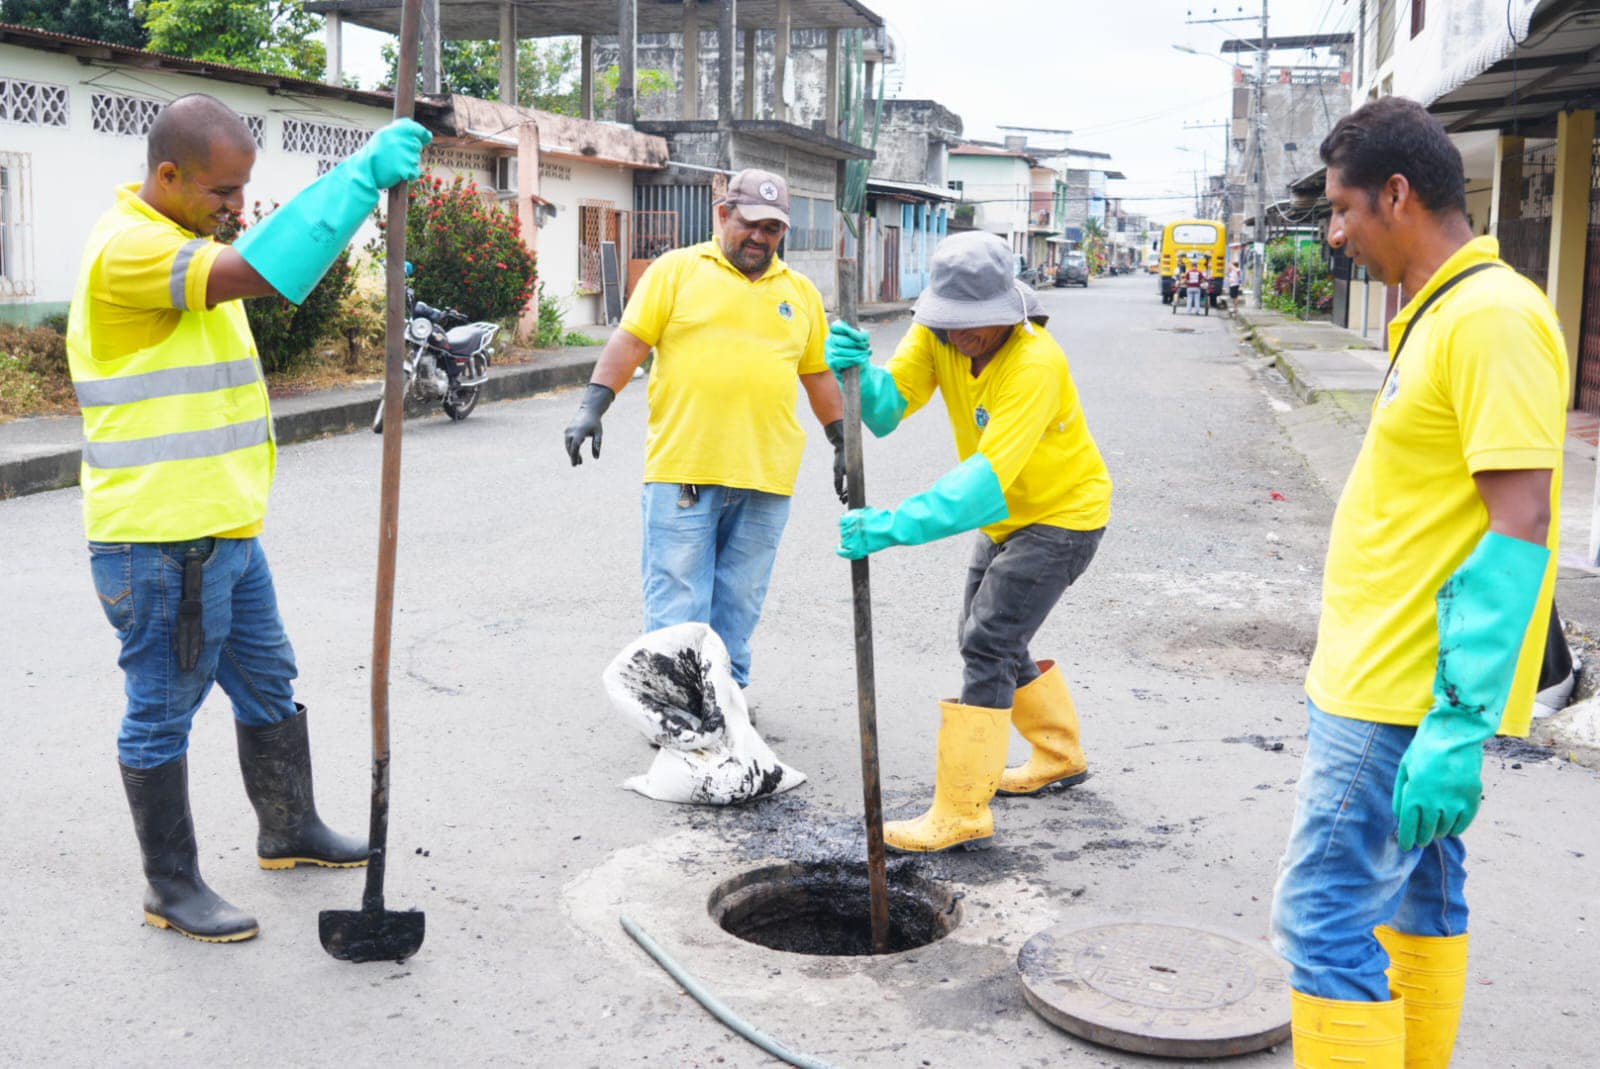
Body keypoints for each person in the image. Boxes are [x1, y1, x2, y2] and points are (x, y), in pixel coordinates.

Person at [69, 95, 431, 942]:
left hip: (224, 528)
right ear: (167, 175)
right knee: (162, 708)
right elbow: (266, 270)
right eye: (224, 191)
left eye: (243, 191)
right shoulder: (129, 250)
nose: (237, 208)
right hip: (161, 539)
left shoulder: (182, 239)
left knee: (269, 679)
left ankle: (289, 827)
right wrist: (361, 176)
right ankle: (170, 886)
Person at [1270, 97, 1565, 1066]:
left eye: (1342, 208)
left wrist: (1459, 718)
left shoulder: (1490, 318)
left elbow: (1520, 520)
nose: (1333, 233)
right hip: (1392, 675)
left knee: (1322, 922)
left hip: (1399, 690)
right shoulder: (1441, 311)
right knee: (1421, 900)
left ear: (1396, 194)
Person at [824, 231, 1112, 853]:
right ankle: (1058, 754)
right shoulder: (937, 332)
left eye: (973, 322)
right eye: (949, 320)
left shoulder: (1035, 363)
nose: (960, 335)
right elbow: (886, 410)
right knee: (988, 634)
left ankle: (961, 810)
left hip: (1063, 516)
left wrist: (890, 526)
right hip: (1009, 517)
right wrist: (859, 371)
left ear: (1007, 310)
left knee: (989, 641)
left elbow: (981, 486)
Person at [563, 169, 844, 692]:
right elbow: (631, 341)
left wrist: (841, 441)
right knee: (678, 600)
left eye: (772, 229)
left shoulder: (800, 292)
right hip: (685, 468)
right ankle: (677, 705)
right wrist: (591, 407)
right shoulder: (676, 271)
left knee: (740, 601)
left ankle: (727, 701)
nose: (759, 237)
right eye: (749, 223)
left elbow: (818, 374)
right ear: (722, 215)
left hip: (767, 474)